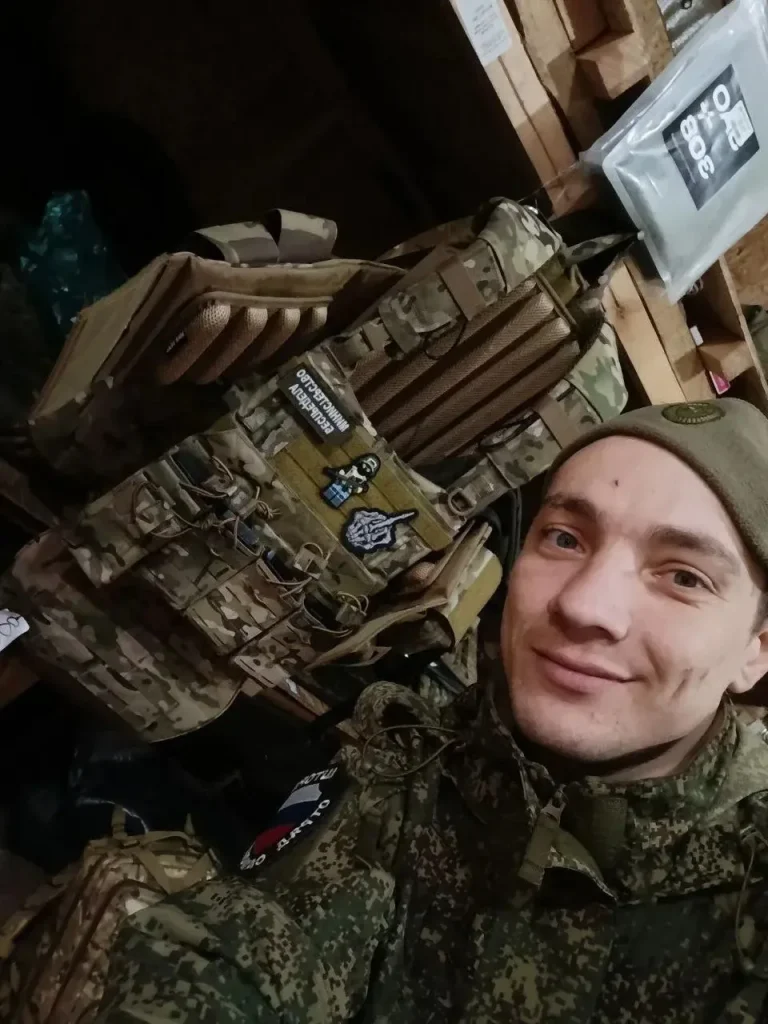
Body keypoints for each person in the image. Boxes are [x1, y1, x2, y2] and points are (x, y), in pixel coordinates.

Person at [96, 399, 768, 1024]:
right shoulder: (414, 755)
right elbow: (246, 948)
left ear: (757, 650)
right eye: (565, 538)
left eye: (684, 577)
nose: (584, 605)